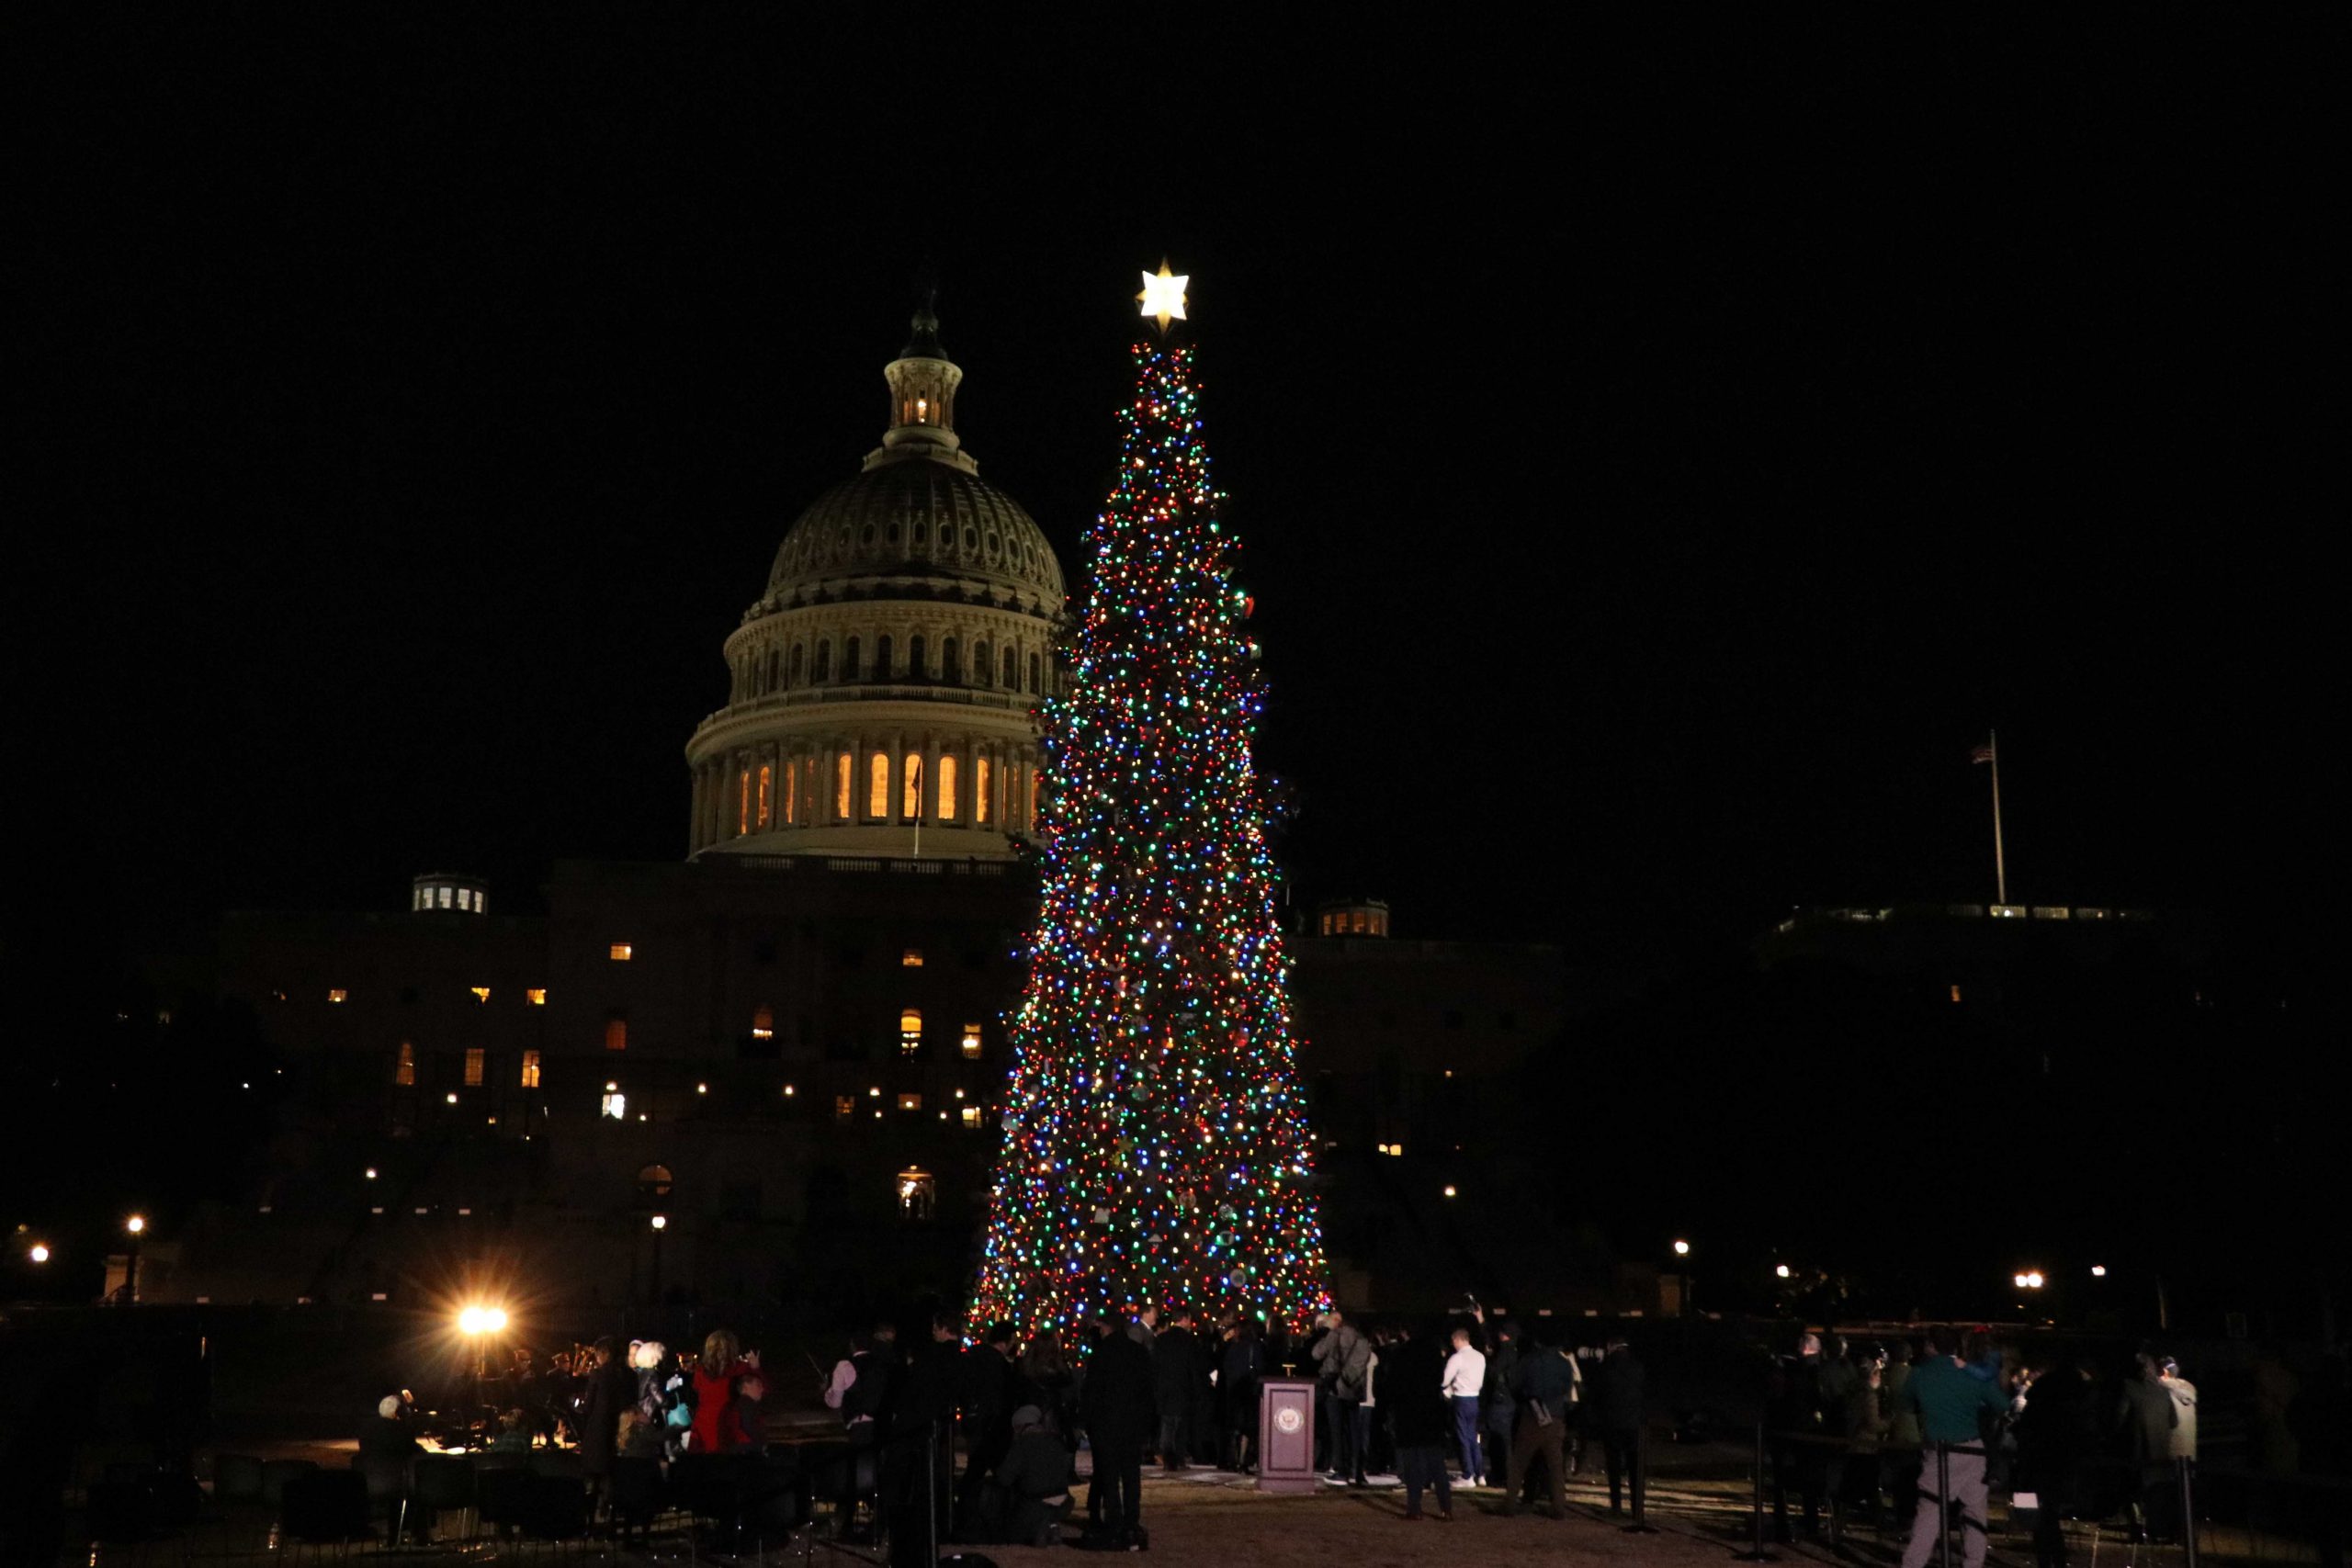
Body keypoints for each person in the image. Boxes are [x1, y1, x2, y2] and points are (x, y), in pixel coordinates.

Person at [1896, 1325, 2010, 1568]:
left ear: (1931, 1346)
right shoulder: (1971, 1373)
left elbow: (1904, 1405)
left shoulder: (1918, 1374)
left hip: (1938, 1450)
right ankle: (1973, 1563)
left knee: (1929, 1513)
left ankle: (1913, 1564)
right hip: (1972, 1449)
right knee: (1975, 1512)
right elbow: (2002, 1404)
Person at [1080, 1312, 1157, 1547]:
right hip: (1132, 1424)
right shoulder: (1139, 1353)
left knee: (1109, 1475)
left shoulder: (1100, 1355)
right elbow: (1147, 1391)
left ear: (1105, 1328)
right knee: (1131, 1475)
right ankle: (1131, 1521)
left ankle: (1114, 1520)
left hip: (1106, 1424)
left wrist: (1088, 1421)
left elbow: (1091, 1392)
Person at [1386, 1320, 1456, 1522]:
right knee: (1436, 1463)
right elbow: (1439, 1380)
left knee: (1412, 1463)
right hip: (1431, 1411)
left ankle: (1414, 1507)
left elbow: (1393, 1384)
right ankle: (1446, 1508)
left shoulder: (1401, 1354)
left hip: (1408, 1412)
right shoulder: (1433, 1353)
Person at [955, 1322, 1020, 1533]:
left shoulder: (972, 1357)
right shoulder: (998, 1364)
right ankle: (985, 1516)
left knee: (976, 1468)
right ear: (1007, 1340)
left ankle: (967, 1513)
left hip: (975, 1420)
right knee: (990, 1470)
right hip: (992, 1424)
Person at [1503, 1335, 1576, 1518]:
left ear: (1538, 1342)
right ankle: (1559, 1505)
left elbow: (1515, 1384)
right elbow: (1567, 1388)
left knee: (1519, 1462)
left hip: (1532, 1414)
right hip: (1556, 1416)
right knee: (1555, 1465)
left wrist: (1524, 1400)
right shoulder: (1564, 1363)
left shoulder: (1529, 1361)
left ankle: (1510, 1504)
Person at [984, 1404, 1076, 1547]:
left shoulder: (1023, 1444)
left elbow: (1004, 1478)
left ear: (1020, 1427)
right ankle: (1051, 1525)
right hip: (1065, 1502)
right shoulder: (1056, 1442)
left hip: (1036, 1504)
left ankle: (1038, 1529)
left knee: (1013, 1529)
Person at [1770, 1332, 1829, 1541]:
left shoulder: (1791, 1371)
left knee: (1783, 1478)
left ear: (1802, 1348)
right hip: (1812, 1434)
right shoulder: (1819, 1371)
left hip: (1788, 1432)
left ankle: (1783, 1522)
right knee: (1810, 1480)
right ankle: (1811, 1520)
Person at [1589, 1336, 1647, 1520]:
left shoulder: (1605, 1368)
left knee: (1613, 1467)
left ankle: (1616, 1506)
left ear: (1610, 1347)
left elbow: (1597, 1395)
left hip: (1612, 1423)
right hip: (1633, 1424)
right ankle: (1637, 1508)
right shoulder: (1638, 1367)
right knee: (1635, 1469)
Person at [1313, 1309, 1373, 1485]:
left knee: (1337, 1431)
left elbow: (1316, 1354)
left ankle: (1341, 1470)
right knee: (1355, 1432)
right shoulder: (1362, 1340)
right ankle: (1358, 1471)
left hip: (1334, 1389)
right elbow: (1362, 1363)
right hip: (1353, 1390)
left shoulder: (1334, 1336)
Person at [575, 1337, 635, 1506]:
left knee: (594, 1476)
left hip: (599, 1429)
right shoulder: (630, 1374)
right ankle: (612, 1513)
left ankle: (591, 1520)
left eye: (597, 1354)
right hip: (624, 1428)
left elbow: (588, 1406)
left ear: (605, 1353)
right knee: (614, 1474)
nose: (596, 1359)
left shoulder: (598, 1374)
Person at [688, 1328, 763, 1454]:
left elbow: (697, 1389)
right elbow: (761, 1391)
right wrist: (756, 1369)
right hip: (729, 1421)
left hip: (704, 1422)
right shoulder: (740, 1368)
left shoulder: (701, 1371)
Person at [1153, 1310, 1202, 1471]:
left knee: (1167, 1424)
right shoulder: (1190, 1340)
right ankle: (1179, 1458)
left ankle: (1168, 1459)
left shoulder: (1161, 1339)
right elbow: (1193, 1367)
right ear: (1185, 1319)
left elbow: (1155, 1365)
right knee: (1181, 1426)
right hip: (1182, 1388)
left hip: (1165, 1388)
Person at [1217, 1318, 1265, 1472]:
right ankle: (1243, 1460)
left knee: (1234, 1425)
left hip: (1234, 1390)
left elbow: (1226, 1367)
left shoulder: (1233, 1347)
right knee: (1247, 1428)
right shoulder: (1256, 1347)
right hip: (1249, 1390)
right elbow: (1260, 1368)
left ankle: (1233, 1459)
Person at [1479, 1315, 1521, 1491]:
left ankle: (1501, 1476)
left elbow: (1493, 1372)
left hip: (1501, 1401)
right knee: (1505, 1442)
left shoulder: (1505, 1352)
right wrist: (1481, 1320)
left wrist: (1488, 1360)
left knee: (1499, 1442)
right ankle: (1505, 1475)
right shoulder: (1514, 1351)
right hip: (1510, 1401)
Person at [1442, 1325, 1487, 1485]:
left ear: (1458, 1340)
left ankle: (1468, 1475)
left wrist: (1447, 1388)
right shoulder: (1480, 1356)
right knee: (1474, 1438)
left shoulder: (1457, 1357)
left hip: (1461, 1400)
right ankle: (1480, 1474)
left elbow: (1445, 1380)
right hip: (1474, 1400)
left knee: (1462, 1438)